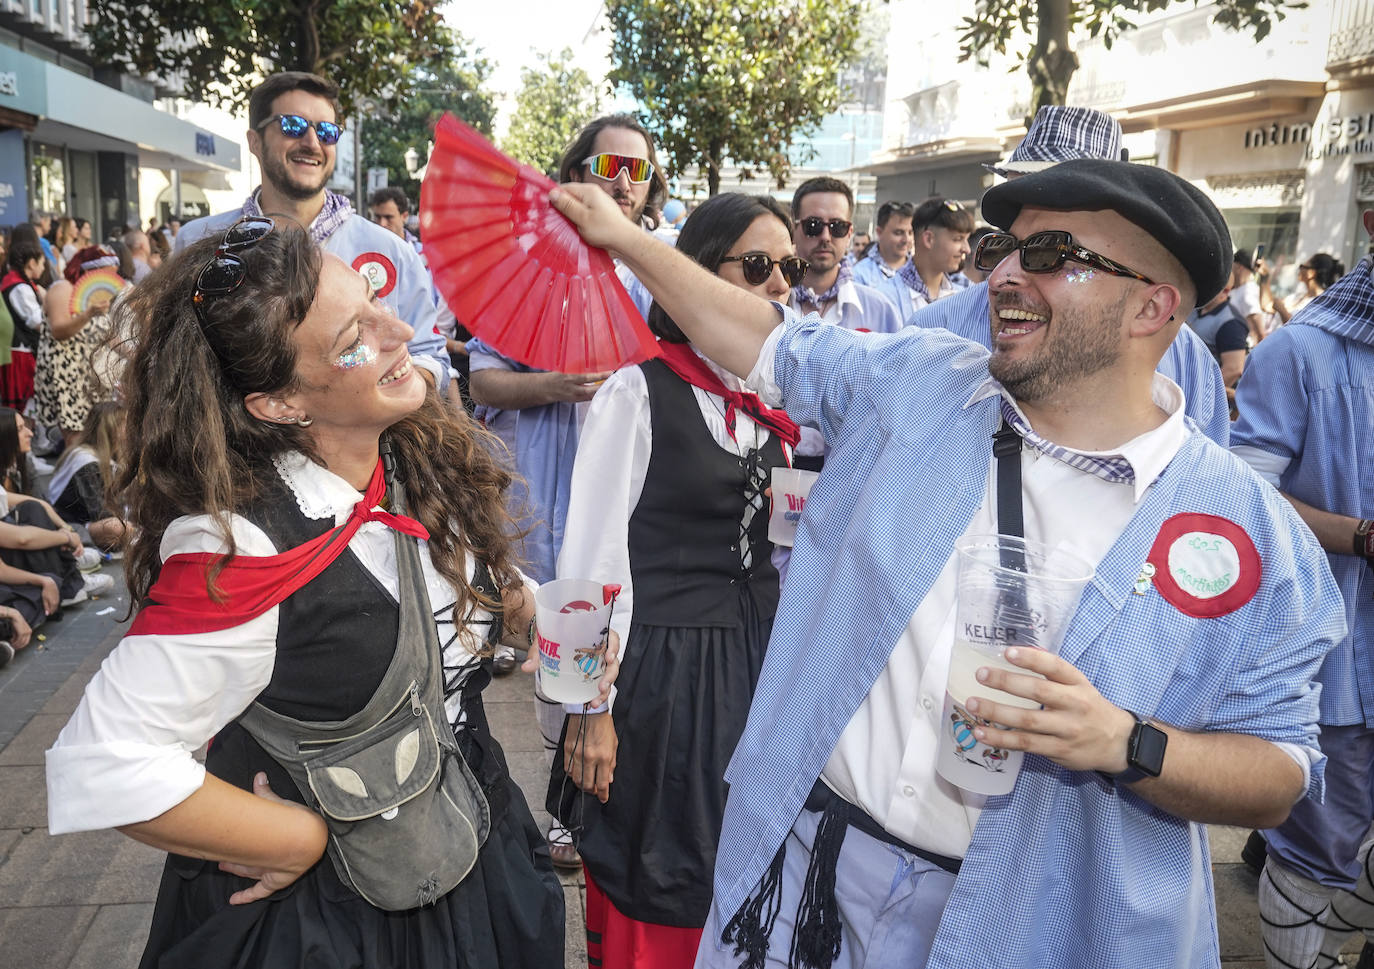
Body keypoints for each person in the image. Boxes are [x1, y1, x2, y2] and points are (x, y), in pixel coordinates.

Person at [549, 157, 1345, 969]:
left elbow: (1279, 767)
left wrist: (1123, 740)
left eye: (1049, 255)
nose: (1004, 275)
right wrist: (624, 239)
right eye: (1004, 247)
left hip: (1022, 922)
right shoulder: (919, 385)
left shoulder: (1243, 531)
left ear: (1152, 305)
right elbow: (768, 339)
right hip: (799, 880)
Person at [44, 218, 608, 968]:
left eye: (373, 298)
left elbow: (428, 592)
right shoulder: (241, 545)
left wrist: (517, 609)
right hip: (336, 915)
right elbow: (104, 761)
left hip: (472, 832)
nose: (400, 329)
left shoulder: (409, 444)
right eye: (353, 340)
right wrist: (294, 837)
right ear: (279, 402)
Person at [553, 192, 799, 969]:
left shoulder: (772, 400)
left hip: (757, 663)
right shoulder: (638, 390)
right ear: (695, 274)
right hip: (664, 676)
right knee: (662, 871)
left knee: (750, 865)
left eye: (787, 268)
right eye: (756, 266)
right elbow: (585, 564)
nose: (779, 286)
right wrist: (587, 710)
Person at [469, 112, 666, 867]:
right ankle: (568, 806)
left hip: (638, 490)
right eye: (605, 168)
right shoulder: (525, 271)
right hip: (549, 490)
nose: (620, 185)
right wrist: (550, 384)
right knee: (567, 644)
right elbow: (480, 376)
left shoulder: (661, 270)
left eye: (636, 172)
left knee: (627, 643)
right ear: (574, 172)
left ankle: (616, 786)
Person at [908, 105, 1231, 447]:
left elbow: (1203, 478)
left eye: (1059, 243)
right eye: (1018, 196)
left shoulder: (1188, 359)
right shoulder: (936, 328)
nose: (1029, 210)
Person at [1230, 209, 1374, 969]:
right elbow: (1246, 497)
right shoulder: (1299, 351)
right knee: (1318, 850)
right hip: (1341, 664)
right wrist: (1361, 536)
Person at [175, 71, 451, 392]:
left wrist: (367, 391)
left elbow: (429, 357)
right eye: (292, 126)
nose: (312, 143)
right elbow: (177, 356)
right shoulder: (199, 242)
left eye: (327, 131)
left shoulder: (391, 251)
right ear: (255, 141)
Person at [0, 406, 110, 606]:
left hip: (33, 532)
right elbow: (23, 534)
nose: (30, 433)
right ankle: (70, 579)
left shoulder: (23, 464)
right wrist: (64, 536)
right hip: (13, 546)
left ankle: (69, 570)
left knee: (46, 517)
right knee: (35, 514)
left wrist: (65, 530)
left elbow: (40, 503)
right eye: (20, 429)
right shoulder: (87, 459)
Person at [34, 245, 126, 446]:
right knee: (77, 442)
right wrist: (87, 314)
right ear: (88, 272)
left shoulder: (97, 300)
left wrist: (136, 353)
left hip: (91, 380)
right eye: (106, 276)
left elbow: (108, 336)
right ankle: (76, 476)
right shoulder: (63, 289)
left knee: (97, 439)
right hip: (67, 379)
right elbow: (58, 331)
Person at [788, 177, 902, 336]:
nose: (826, 237)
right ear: (793, 230)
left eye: (837, 226)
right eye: (813, 225)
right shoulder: (771, 303)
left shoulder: (880, 310)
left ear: (849, 233)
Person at [47, 401, 130, 552]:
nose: (129, 430)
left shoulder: (111, 455)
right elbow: (100, 514)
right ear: (110, 429)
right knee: (118, 527)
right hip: (69, 526)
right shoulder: (85, 460)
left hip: (89, 522)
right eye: (124, 424)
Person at [896, 197, 973, 313]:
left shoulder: (964, 295)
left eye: (967, 239)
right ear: (929, 239)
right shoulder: (887, 297)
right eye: (958, 239)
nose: (966, 249)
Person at [0, 237, 46, 412]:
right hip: (20, 354)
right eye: (41, 263)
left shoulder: (17, 283)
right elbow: (37, 321)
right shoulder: (20, 288)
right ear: (32, 263)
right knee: (24, 409)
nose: (43, 268)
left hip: (18, 352)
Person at [1185, 283, 1249, 407]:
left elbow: (1233, 369)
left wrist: (1199, 398)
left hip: (1194, 396)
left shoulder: (1231, 323)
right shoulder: (1197, 305)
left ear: (1225, 292)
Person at [850, 200, 914, 314]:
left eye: (910, 232)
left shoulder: (920, 274)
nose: (906, 240)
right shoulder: (859, 275)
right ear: (879, 232)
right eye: (899, 233)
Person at [1266, 252, 1345, 327]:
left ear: (1311, 273)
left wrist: (1282, 310)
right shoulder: (1297, 296)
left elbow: (1300, 330)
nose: (1299, 270)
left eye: (1302, 266)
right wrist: (1264, 278)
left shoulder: (1322, 303)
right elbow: (1267, 306)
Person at [1230, 249, 1266, 345]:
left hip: (1243, 349)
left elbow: (1260, 331)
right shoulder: (1235, 289)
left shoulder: (1248, 291)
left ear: (1239, 267)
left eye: (1232, 264)